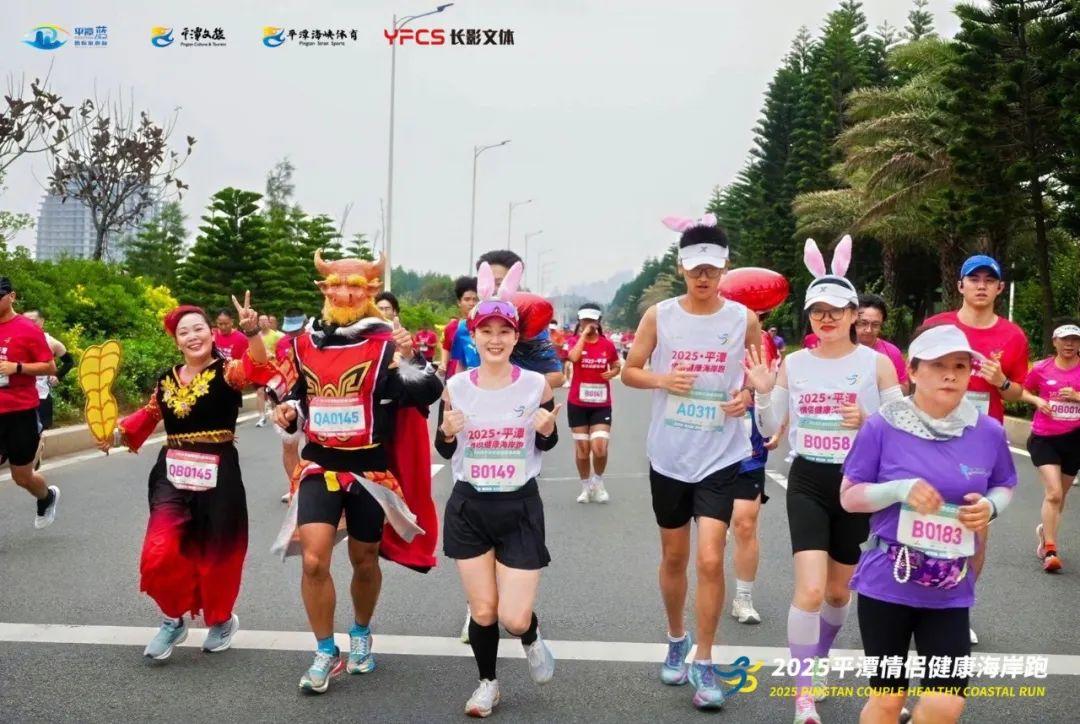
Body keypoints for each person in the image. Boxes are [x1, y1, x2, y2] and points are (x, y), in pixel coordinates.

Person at [272, 251, 442, 694]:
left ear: (369, 292)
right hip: (320, 465)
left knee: (364, 560)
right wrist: (288, 413)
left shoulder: (386, 344)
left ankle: (361, 632)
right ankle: (325, 650)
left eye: (354, 286)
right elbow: (298, 396)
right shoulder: (306, 342)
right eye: (336, 285)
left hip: (369, 470)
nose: (344, 293)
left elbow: (427, 391)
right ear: (324, 290)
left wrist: (411, 357)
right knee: (314, 560)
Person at [747, 236, 901, 724]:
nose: (826, 318)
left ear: (854, 313)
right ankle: (803, 695)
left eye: (835, 310)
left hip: (856, 485)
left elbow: (903, 430)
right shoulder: (793, 364)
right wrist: (763, 394)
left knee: (838, 594)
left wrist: (868, 423)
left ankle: (821, 656)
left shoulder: (876, 364)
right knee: (810, 592)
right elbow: (770, 429)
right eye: (817, 312)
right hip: (809, 480)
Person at [839, 324, 1017, 724]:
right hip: (888, 582)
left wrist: (990, 507)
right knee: (888, 701)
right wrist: (898, 490)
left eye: (960, 366)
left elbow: (1005, 483)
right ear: (913, 371)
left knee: (945, 704)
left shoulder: (987, 431)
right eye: (938, 365)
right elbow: (849, 496)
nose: (950, 375)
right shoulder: (882, 426)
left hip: (950, 586)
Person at [622, 213, 761, 711]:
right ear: (681, 267)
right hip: (670, 455)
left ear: (725, 268)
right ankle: (676, 637)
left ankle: (704, 659)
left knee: (710, 558)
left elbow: (758, 377)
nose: (704, 276)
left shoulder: (744, 319)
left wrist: (747, 397)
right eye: (695, 268)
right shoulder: (660, 316)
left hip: (721, 454)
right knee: (676, 557)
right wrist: (663, 380)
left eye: (713, 268)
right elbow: (629, 372)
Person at [103, 295, 274, 660]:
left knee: (218, 552)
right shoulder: (167, 379)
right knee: (159, 550)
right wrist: (113, 435)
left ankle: (221, 620)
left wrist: (251, 332)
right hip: (172, 473)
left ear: (211, 334)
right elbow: (148, 416)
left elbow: (258, 367)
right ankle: (172, 619)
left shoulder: (228, 371)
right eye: (184, 332)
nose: (193, 336)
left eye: (198, 329)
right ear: (177, 341)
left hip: (219, 474)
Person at [435, 261, 559, 718]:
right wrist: (447, 433)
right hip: (469, 507)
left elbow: (547, 440)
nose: (494, 338)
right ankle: (487, 684)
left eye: (503, 331)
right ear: (473, 334)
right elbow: (444, 448)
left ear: (515, 337)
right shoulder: (455, 387)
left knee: (513, 617)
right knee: (484, 611)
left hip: (518, 506)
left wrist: (547, 429)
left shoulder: (535, 385)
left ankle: (530, 635)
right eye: (486, 330)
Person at [923, 254, 1029, 645]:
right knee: (922, 519)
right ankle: (914, 605)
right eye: (974, 278)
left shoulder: (1013, 336)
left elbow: (1017, 392)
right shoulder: (937, 326)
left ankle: (956, 606)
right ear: (961, 285)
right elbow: (914, 376)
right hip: (930, 437)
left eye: (989, 280)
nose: (981, 285)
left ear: (1000, 288)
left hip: (980, 445)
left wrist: (1001, 382)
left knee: (974, 529)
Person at [731, 313, 785, 626]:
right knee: (713, 534)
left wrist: (777, 426)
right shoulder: (705, 338)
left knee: (745, 523)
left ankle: (744, 597)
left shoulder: (764, 341)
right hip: (708, 450)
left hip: (750, 450)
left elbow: (777, 390)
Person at [0, 277, 61, 528]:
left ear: (11, 296)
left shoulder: (27, 328)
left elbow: (50, 366)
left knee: (22, 477)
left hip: (20, 413)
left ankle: (46, 497)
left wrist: (17, 368)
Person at [1023, 321, 1080, 573]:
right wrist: (1037, 400)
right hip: (1044, 438)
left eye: (1075, 340)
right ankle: (1050, 550)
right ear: (1055, 342)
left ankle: (1045, 533)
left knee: (1061, 496)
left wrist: (1077, 397)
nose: (1069, 344)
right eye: (1065, 339)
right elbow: (1022, 391)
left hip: (1075, 439)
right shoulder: (1041, 368)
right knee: (1054, 493)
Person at [476, 249, 565, 388]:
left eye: (499, 283)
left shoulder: (531, 330)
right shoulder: (466, 327)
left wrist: (515, 389)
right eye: (488, 282)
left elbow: (557, 377)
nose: (493, 290)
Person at [565, 303, 621, 503]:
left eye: (592, 320)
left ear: (598, 321)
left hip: (601, 404)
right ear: (579, 321)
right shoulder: (573, 341)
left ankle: (598, 482)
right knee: (582, 449)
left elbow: (616, 365)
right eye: (585, 320)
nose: (589, 323)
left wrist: (613, 373)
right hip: (577, 403)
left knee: (599, 447)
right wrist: (582, 336)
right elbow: (573, 357)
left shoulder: (607, 345)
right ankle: (585, 487)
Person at [22, 310, 74, 470]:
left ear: (42, 321)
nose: (29, 324)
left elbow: (69, 361)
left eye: (33, 320)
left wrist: (57, 376)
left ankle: (34, 458)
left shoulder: (50, 342)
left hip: (41, 394)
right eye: (25, 320)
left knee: (37, 430)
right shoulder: (16, 339)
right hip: (20, 393)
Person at [273, 309, 308, 504]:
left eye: (297, 330)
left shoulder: (316, 342)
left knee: (312, 447)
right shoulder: (282, 343)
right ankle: (295, 487)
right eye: (289, 331)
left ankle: (315, 488)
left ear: (305, 324)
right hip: (288, 400)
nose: (292, 334)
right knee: (288, 445)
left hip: (310, 399)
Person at [857, 294, 910, 394]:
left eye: (875, 325)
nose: (868, 330)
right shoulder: (839, 349)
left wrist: (882, 385)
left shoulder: (892, 352)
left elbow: (905, 388)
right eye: (863, 323)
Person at [441, 276, 480, 381]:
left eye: (475, 299)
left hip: (479, 377)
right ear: (459, 302)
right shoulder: (451, 327)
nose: (471, 303)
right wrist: (443, 364)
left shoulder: (485, 326)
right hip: (455, 376)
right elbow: (446, 349)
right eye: (467, 299)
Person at [255, 314, 285, 427]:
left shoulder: (277, 336)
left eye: (265, 321)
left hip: (273, 368)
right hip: (260, 368)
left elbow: (283, 351)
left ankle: (275, 411)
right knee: (260, 392)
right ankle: (262, 417)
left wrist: (274, 356)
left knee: (273, 392)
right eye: (261, 321)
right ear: (258, 323)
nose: (263, 323)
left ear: (269, 322)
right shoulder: (256, 336)